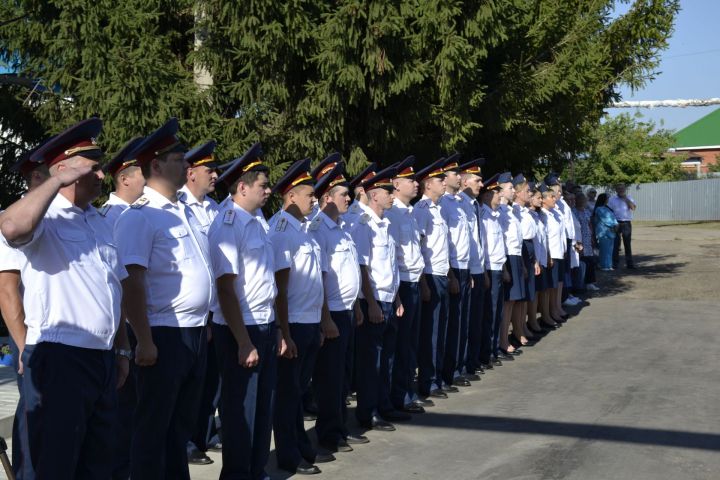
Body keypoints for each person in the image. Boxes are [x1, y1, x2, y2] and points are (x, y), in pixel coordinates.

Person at [0, 118, 130, 478]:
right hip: (61, 357)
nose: (103, 176)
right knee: (54, 464)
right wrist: (56, 179)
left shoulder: (99, 221)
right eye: (93, 168)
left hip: (100, 359)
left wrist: (121, 349)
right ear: (66, 171)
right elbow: (11, 228)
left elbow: (114, 290)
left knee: (98, 463)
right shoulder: (45, 217)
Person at [116, 118, 214, 480]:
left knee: (180, 426)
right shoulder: (141, 217)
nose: (187, 165)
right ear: (155, 165)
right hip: (161, 333)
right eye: (178, 159)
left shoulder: (184, 211)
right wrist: (142, 340)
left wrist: (203, 323)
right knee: (152, 428)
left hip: (192, 331)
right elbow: (132, 282)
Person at [207, 142, 279, 479]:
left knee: (262, 407)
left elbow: (266, 281)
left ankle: (256, 470)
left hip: (263, 324)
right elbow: (226, 288)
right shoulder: (228, 224)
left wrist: (276, 328)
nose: (268, 191)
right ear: (242, 187)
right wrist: (243, 341)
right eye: (263, 186)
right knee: (240, 412)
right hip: (241, 330)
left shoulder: (258, 222)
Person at [269, 158, 335, 475]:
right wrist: (284, 331)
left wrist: (321, 322)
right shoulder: (282, 230)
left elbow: (315, 282)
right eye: (309, 194)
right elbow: (279, 289)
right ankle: (289, 454)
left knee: (297, 391)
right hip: (292, 322)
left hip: (308, 321)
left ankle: (301, 447)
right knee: (286, 394)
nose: (314, 200)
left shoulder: (304, 230)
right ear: (292, 195)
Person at [309, 161, 369, 451]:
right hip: (330, 312)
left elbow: (348, 271)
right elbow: (319, 279)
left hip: (346, 310)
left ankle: (340, 426)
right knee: (329, 378)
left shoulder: (342, 228)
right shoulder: (319, 229)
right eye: (344, 194)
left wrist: (356, 303)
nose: (349, 198)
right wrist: (325, 319)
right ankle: (329, 432)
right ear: (327, 198)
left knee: (343, 376)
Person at [0, 146, 50, 479]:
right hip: (32, 342)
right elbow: (7, 291)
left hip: (58, 343)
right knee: (34, 420)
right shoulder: (15, 218)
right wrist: (21, 346)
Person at [100, 136, 147, 480]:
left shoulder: (133, 214)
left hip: (132, 327)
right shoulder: (111, 217)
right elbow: (120, 280)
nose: (147, 179)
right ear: (125, 178)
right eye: (142, 173)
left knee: (136, 412)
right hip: (124, 326)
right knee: (123, 412)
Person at [353, 164, 408, 431]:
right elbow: (363, 266)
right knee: (371, 362)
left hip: (389, 298)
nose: (391, 195)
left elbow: (391, 266)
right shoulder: (364, 225)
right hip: (373, 301)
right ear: (375, 195)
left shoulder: (384, 224)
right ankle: (368, 411)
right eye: (387, 191)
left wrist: (396, 299)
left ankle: (384, 405)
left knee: (387, 358)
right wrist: (372, 303)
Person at [179, 140, 224, 465]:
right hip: (184, 315)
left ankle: (205, 432)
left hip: (214, 310)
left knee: (210, 380)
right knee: (186, 385)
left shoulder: (215, 208)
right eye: (210, 169)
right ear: (191, 173)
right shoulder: (178, 207)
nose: (216, 175)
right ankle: (187, 441)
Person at [384, 156, 430, 413]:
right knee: (400, 345)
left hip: (413, 281)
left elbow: (417, 253)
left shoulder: (410, 213)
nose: (415, 183)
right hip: (400, 284)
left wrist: (421, 282)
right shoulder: (392, 215)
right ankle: (399, 396)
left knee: (410, 342)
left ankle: (406, 392)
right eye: (410, 180)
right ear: (396, 184)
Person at [413, 158, 452, 399]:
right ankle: (428, 381)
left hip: (442, 273)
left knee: (441, 328)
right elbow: (418, 247)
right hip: (430, 275)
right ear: (428, 185)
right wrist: (424, 282)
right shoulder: (422, 210)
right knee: (432, 332)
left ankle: (437, 376)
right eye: (440, 180)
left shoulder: (439, 208)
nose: (444, 183)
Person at [439, 154, 473, 389]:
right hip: (450, 269)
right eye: (454, 174)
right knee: (449, 325)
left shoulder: (461, 203)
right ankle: (446, 373)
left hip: (464, 266)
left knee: (461, 322)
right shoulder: (441, 203)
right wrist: (451, 273)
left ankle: (458, 367)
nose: (459, 177)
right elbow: (443, 244)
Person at [457, 159, 488, 380]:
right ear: (465, 181)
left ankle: (472, 361)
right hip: (462, 268)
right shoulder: (456, 204)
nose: (481, 184)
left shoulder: (473, 205)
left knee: (475, 318)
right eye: (477, 180)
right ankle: (461, 365)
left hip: (476, 267)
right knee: (463, 321)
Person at [479, 174, 508, 369]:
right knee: (489, 313)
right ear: (488, 195)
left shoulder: (495, 216)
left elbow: (500, 246)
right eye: (496, 192)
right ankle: (487, 352)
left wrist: (504, 268)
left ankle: (494, 348)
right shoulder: (483, 216)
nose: (499, 196)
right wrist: (486, 273)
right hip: (489, 269)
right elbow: (485, 248)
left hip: (498, 267)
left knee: (497, 312)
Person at [497, 172, 525, 357]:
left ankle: (506, 337)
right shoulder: (498, 211)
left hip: (515, 255)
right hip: (506, 257)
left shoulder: (510, 210)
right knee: (506, 302)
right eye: (509, 188)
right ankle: (502, 340)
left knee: (513, 300)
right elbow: (501, 241)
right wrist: (506, 266)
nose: (513, 191)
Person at [99, 136, 146, 227]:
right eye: (144, 174)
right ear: (124, 179)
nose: (149, 178)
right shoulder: (107, 217)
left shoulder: (147, 207)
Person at [539, 183, 565, 328]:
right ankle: (547, 314)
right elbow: (545, 238)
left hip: (558, 253)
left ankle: (554, 309)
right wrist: (548, 255)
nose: (555, 199)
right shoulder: (543, 215)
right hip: (551, 255)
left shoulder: (553, 214)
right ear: (543, 200)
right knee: (549, 287)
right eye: (551, 197)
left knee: (556, 284)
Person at [574, 193, 599, 292]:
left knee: (590, 261)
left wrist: (592, 236)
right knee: (583, 261)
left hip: (588, 239)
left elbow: (589, 224)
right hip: (580, 239)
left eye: (584, 200)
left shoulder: (586, 211)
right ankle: (581, 283)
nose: (584, 202)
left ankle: (590, 282)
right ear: (577, 201)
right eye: (582, 200)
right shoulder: (574, 212)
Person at [608, 183, 636, 269]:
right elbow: (609, 211)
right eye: (619, 189)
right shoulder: (612, 199)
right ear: (616, 190)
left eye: (622, 189)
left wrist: (625, 199)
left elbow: (633, 208)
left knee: (627, 243)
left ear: (625, 189)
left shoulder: (629, 197)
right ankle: (615, 264)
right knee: (615, 244)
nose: (621, 190)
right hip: (615, 223)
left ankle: (629, 264)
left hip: (626, 223)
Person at [593, 193, 618, 271]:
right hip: (603, 231)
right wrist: (614, 224)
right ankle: (604, 265)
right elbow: (606, 219)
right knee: (604, 249)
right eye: (607, 198)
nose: (608, 200)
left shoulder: (607, 208)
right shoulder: (599, 209)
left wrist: (616, 223)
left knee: (610, 249)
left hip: (611, 231)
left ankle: (609, 265)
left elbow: (613, 217)